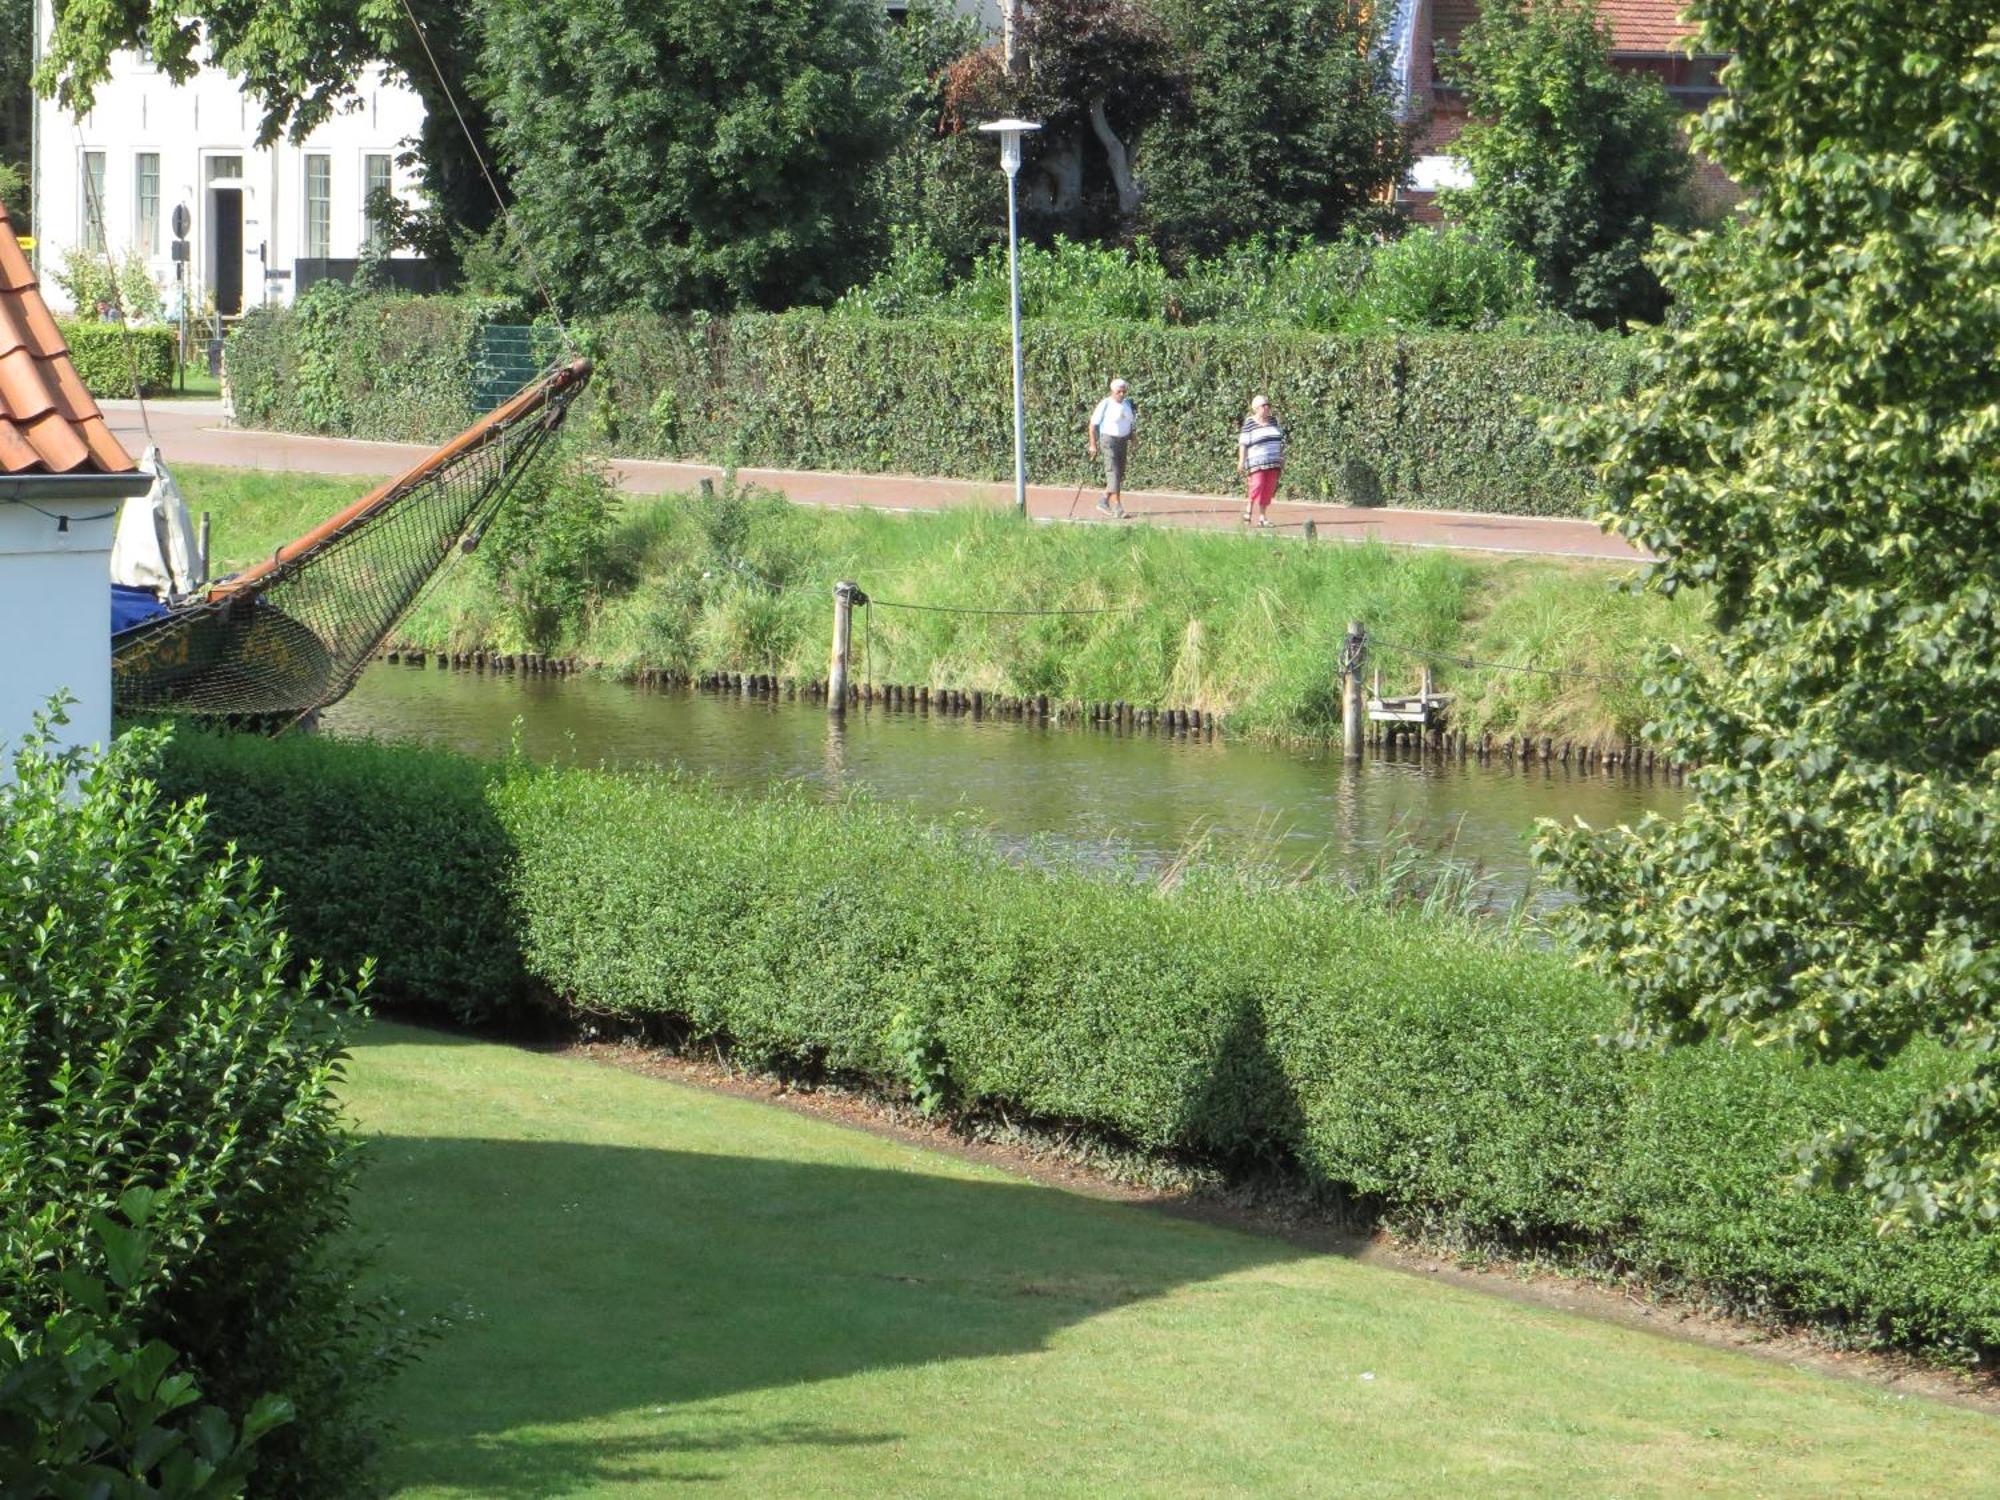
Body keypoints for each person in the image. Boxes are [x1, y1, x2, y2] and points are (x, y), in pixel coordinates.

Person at [1087, 378, 1136, 519]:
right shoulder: (1105, 404)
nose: (1121, 394)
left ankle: (1103, 500)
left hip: (1123, 441)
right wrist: (1092, 444)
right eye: (1118, 391)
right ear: (1112, 391)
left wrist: (1134, 439)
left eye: (1123, 391)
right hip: (1108, 441)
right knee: (1113, 472)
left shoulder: (1127, 404)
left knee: (1119, 475)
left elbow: (1130, 423)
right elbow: (1092, 425)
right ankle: (1117, 507)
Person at [1237, 394, 1284, 528]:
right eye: (1264, 405)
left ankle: (1262, 518)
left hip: (1273, 461)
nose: (1267, 408)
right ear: (1256, 408)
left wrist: (1281, 456)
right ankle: (1249, 506)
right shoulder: (1249, 423)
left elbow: (1279, 440)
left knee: (1268, 489)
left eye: (1268, 405)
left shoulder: (1273, 421)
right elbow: (1243, 443)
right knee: (1257, 485)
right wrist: (1241, 460)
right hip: (1256, 462)